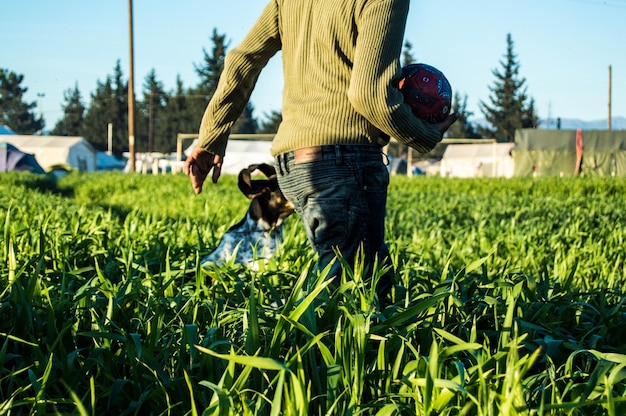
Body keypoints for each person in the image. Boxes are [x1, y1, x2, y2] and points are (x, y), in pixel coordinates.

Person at [184, 0, 458, 300]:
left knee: (369, 287)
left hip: (293, 166)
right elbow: (369, 94)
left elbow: (243, 59)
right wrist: (424, 134)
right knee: (351, 305)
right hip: (345, 164)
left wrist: (210, 138)